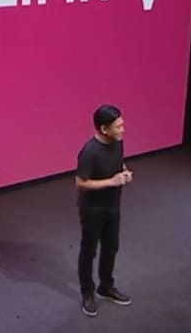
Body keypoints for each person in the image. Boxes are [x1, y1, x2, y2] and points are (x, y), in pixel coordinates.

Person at [75, 104, 133, 317]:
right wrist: (112, 181)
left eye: (122, 124)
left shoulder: (118, 142)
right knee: (89, 251)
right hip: (92, 210)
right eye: (118, 126)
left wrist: (124, 172)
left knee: (111, 248)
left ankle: (106, 287)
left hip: (113, 206)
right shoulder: (89, 152)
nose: (123, 129)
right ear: (104, 129)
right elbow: (80, 183)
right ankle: (87, 293)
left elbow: (118, 163)